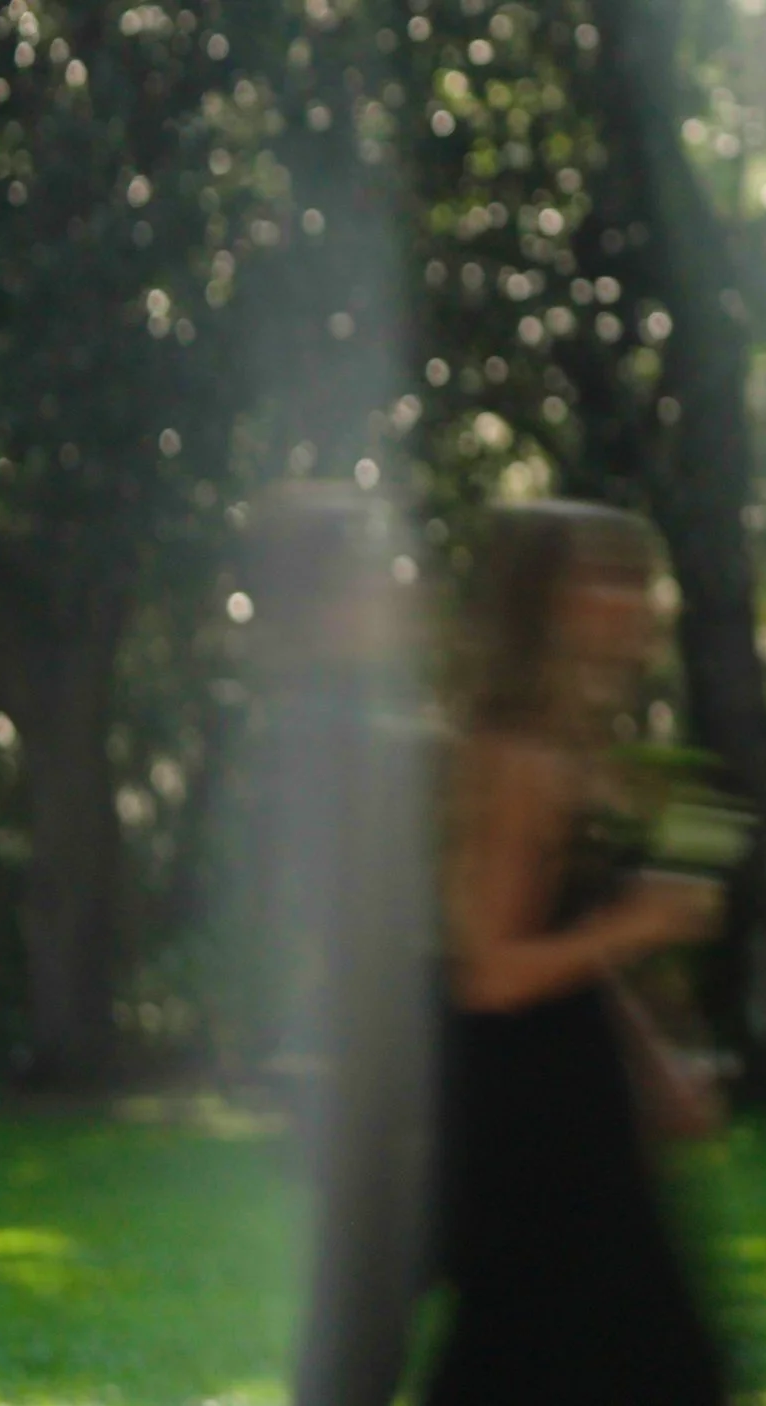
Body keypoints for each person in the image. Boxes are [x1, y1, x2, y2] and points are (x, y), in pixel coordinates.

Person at [426, 501, 731, 1405]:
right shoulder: (513, 756)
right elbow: (489, 973)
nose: (634, 601)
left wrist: (652, 1058)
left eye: (639, 578)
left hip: (579, 1094)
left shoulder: (581, 747)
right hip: (527, 1118)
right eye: (604, 577)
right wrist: (642, 923)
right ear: (543, 602)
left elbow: (569, 945)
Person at [252, 485, 440, 1406]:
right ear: (328, 602)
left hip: (381, 1076)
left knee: (365, 1335)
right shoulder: (331, 731)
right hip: (374, 1079)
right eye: (374, 573)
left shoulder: (348, 718)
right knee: (359, 1342)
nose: (395, 588)